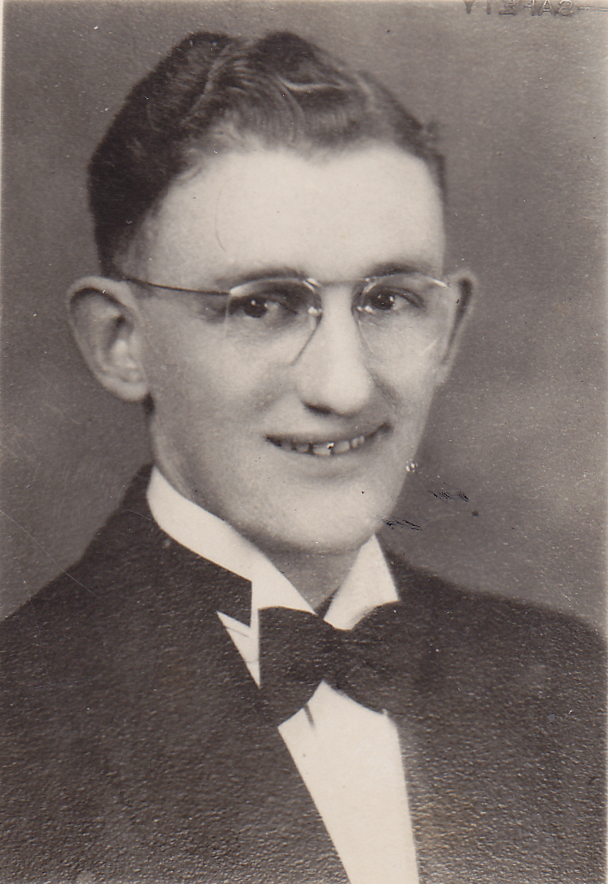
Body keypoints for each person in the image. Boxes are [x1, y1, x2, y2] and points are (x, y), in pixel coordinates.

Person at [0, 30, 603, 884]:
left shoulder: (570, 688)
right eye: (262, 305)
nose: (344, 387)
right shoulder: (20, 727)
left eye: (389, 299)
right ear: (120, 341)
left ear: (448, 328)